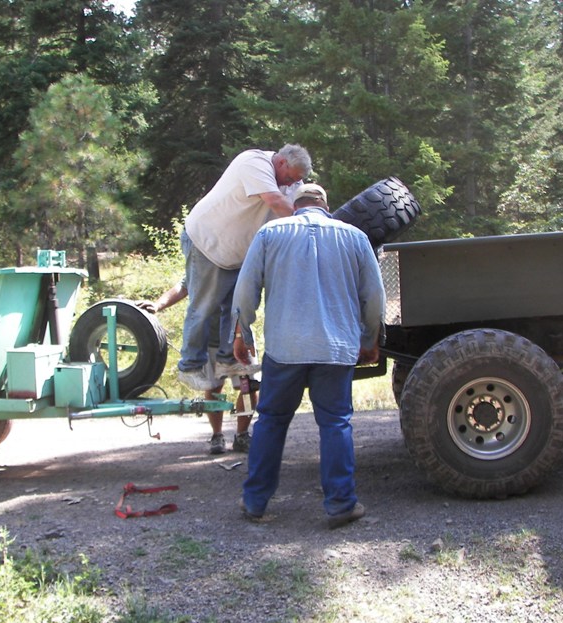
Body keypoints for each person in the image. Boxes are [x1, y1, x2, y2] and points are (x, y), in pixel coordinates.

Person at [231, 183, 386, 529]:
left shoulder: (270, 232)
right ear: (325, 205)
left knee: (271, 420)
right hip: (335, 349)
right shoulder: (355, 237)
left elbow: (246, 288)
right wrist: (370, 337)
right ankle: (341, 503)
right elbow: (374, 297)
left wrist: (242, 331)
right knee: (335, 423)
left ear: (295, 204)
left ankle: (255, 501)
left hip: (286, 348)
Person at [176, 144, 313, 391]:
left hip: (235, 254)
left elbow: (298, 207)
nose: (291, 184)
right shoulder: (254, 162)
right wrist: (310, 226)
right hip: (206, 243)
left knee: (235, 310)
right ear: (281, 162)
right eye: (290, 178)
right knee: (203, 308)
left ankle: (228, 361)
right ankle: (189, 366)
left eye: (296, 181)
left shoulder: (290, 184)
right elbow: (275, 201)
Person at [139, 282, 258, 455]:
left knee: (248, 387)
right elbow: (183, 286)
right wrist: (158, 304)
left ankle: (242, 435)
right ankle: (217, 435)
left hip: (240, 336)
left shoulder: (241, 261)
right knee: (214, 387)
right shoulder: (204, 263)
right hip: (209, 339)